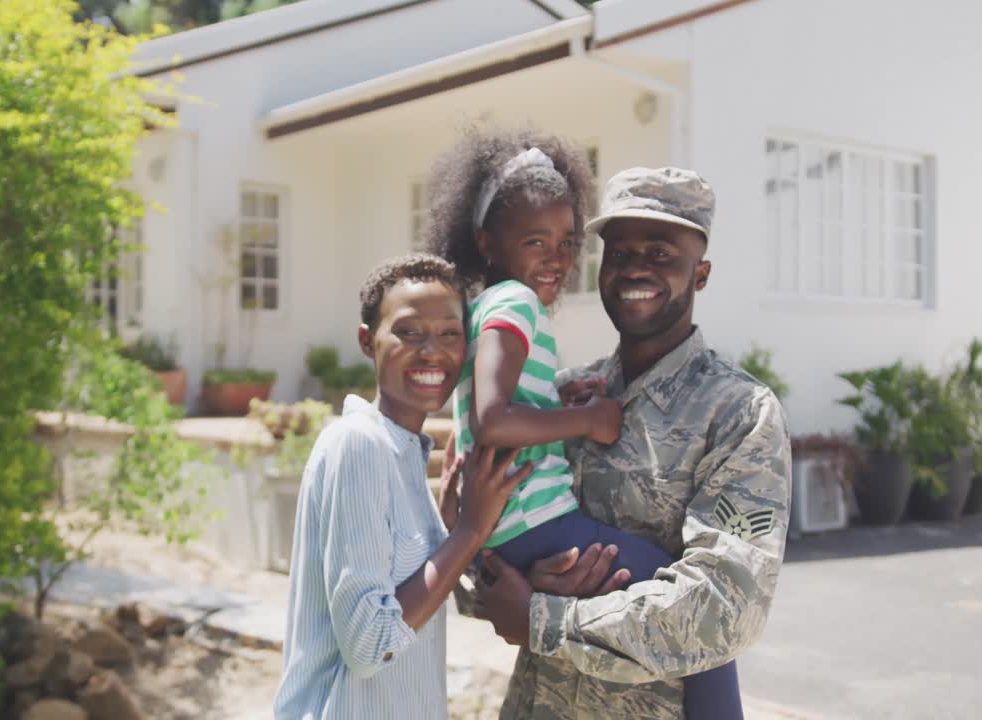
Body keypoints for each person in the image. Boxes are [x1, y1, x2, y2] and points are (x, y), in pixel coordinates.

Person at [427, 128, 743, 718]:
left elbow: (718, 614)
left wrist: (546, 614)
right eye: (619, 252)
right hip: (537, 696)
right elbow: (486, 593)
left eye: (662, 254)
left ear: (700, 273)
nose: (635, 268)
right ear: (490, 243)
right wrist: (476, 556)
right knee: (655, 575)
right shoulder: (547, 349)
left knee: (688, 616)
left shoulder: (738, 414)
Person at [274, 254, 533, 720]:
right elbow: (371, 643)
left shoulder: (407, 456)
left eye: (450, 334)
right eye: (408, 332)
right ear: (367, 340)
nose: (432, 351)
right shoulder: (358, 445)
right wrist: (468, 533)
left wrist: (454, 530)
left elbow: (420, 609)